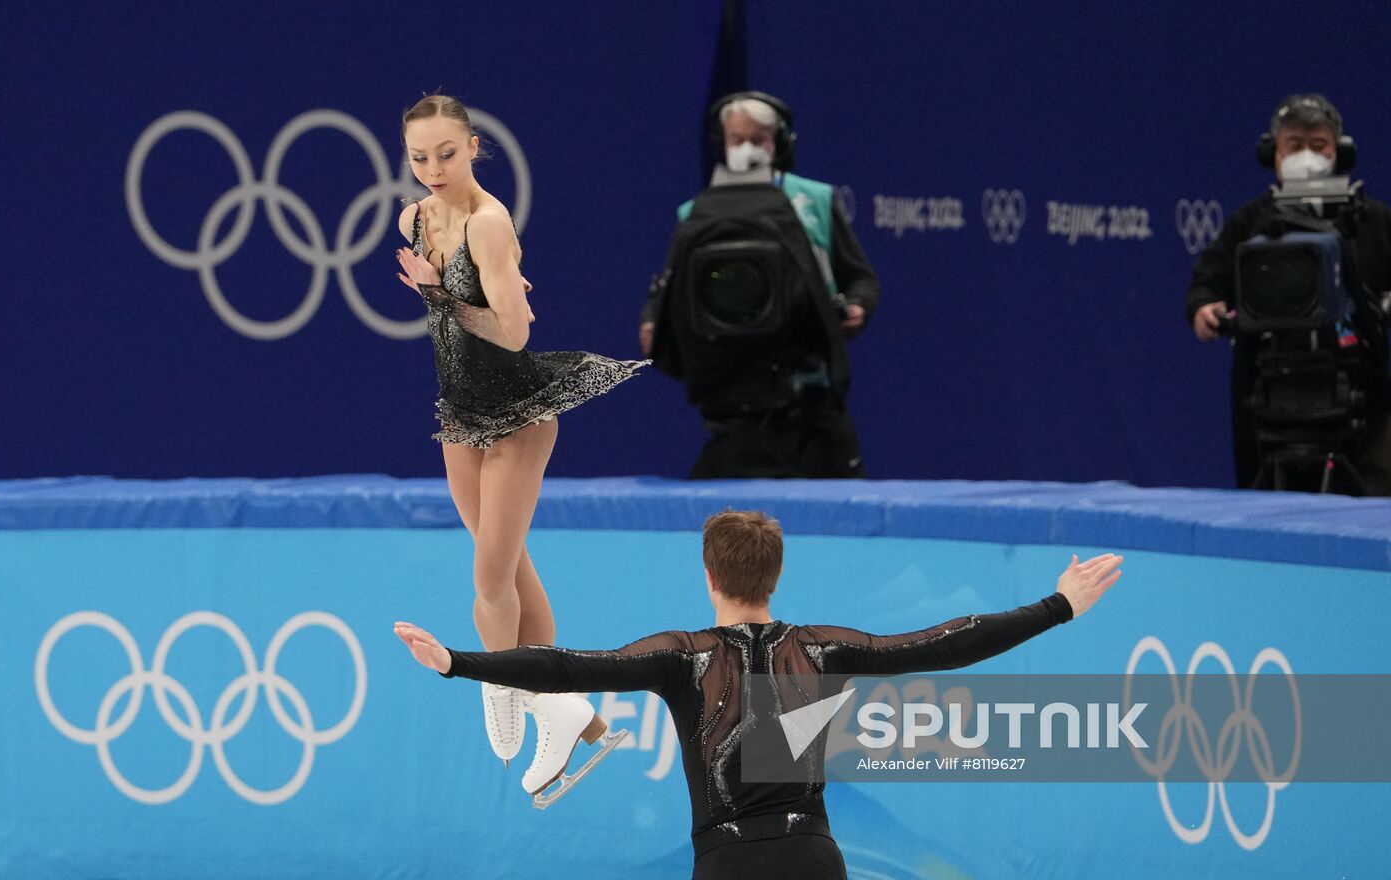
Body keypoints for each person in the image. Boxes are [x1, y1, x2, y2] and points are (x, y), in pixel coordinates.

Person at [395, 510, 1123, 878]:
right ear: (772, 577)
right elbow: (946, 640)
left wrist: (460, 662)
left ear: (709, 576)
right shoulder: (820, 647)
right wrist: (1058, 605)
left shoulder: (681, 657)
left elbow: (569, 666)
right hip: (812, 855)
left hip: (730, 863)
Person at [392, 93, 647, 798]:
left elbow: (514, 333)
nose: (433, 169)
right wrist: (450, 295)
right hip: (460, 412)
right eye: (419, 157)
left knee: (488, 579)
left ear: (473, 147)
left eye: (447, 153)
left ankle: (505, 682)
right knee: (507, 566)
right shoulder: (413, 219)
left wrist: (443, 294)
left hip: (518, 412)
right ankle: (569, 712)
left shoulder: (489, 221)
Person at [640, 92, 880, 478]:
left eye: (759, 139)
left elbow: (861, 278)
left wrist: (857, 306)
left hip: (811, 396)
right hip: (732, 398)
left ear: (779, 144)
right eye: (737, 139)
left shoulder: (814, 200)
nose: (747, 149)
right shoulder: (695, 214)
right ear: (723, 144)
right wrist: (653, 322)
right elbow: (670, 290)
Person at [1186, 93, 1391, 492]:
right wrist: (1204, 307)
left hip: (1361, 393)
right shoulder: (1251, 221)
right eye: (1295, 145)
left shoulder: (1372, 221)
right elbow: (1207, 282)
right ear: (1273, 154)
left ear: (1340, 152)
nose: (1307, 155)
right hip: (1267, 394)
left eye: (1319, 145)